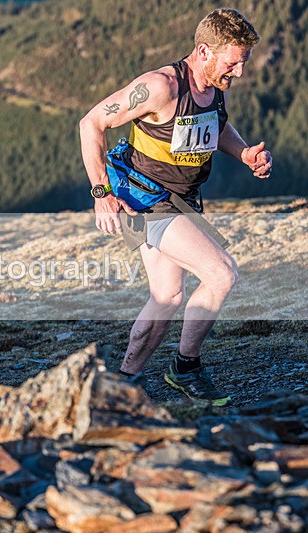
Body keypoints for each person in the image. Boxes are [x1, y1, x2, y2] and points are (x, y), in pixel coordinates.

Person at [79, 8, 272, 406]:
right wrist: (101, 194)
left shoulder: (216, 85)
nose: (238, 73)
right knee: (221, 274)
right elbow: (91, 123)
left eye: (242, 64)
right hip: (141, 197)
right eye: (233, 63)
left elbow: (214, 126)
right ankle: (185, 369)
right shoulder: (159, 87)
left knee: (166, 296)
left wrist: (244, 155)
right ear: (204, 51)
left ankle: (123, 381)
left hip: (180, 200)